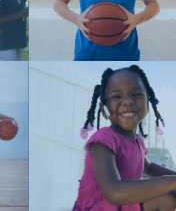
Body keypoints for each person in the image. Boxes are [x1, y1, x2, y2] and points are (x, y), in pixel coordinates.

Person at [74, 65, 176, 210]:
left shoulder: (138, 143)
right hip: (100, 207)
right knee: (166, 198)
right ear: (104, 109)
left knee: (169, 194)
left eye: (136, 94)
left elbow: (149, 167)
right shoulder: (103, 140)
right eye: (116, 96)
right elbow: (113, 193)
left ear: (149, 101)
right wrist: (172, 182)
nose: (128, 101)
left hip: (123, 205)